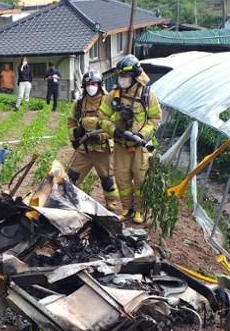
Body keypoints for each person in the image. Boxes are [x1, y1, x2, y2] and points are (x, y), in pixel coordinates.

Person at [99, 54, 161, 224]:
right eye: (120, 76)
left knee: (140, 179)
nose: (122, 79)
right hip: (121, 145)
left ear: (134, 76)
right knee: (122, 177)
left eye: (125, 76)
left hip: (141, 147)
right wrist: (113, 131)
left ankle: (139, 210)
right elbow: (101, 116)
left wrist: (141, 135)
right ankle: (127, 209)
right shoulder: (114, 94)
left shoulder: (148, 94)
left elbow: (155, 119)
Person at [66, 69, 119, 210]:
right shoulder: (79, 104)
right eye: (89, 84)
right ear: (84, 86)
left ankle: (111, 202)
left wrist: (101, 135)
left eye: (94, 83)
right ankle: (67, 199)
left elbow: (116, 125)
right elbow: (71, 121)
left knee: (107, 180)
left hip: (103, 150)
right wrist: (75, 135)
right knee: (71, 177)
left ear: (100, 84)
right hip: (85, 149)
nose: (91, 86)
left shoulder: (109, 102)